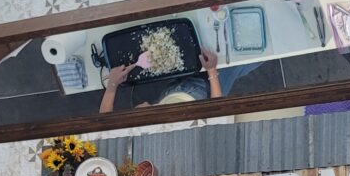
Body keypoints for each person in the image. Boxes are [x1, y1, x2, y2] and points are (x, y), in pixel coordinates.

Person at [100, 48, 251, 113]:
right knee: (239, 64)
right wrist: (212, 70)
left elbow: (104, 121)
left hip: (171, 92)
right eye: (139, 110)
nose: (138, 106)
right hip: (206, 92)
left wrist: (113, 84)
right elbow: (217, 109)